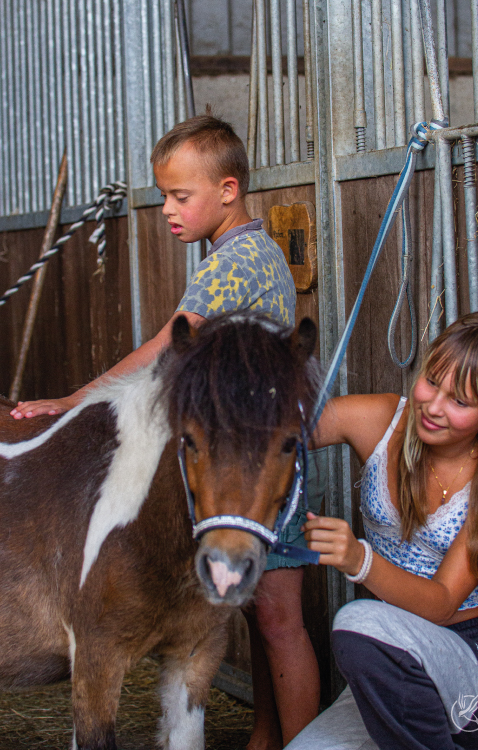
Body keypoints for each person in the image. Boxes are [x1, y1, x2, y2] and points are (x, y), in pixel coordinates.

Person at [10, 112, 320, 749]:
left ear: (229, 191)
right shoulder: (238, 253)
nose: (168, 212)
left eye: (182, 197)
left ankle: (299, 740)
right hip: (257, 455)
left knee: (280, 618)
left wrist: (73, 399)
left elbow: (164, 349)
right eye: (163, 198)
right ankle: (266, 736)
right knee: (263, 613)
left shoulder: (234, 265)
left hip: (251, 466)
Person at [284, 312, 478, 750]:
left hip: (474, 661)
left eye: (460, 401)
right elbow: (282, 431)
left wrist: (360, 560)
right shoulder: (383, 420)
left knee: (357, 620)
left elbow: (440, 604)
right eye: (432, 382)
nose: (434, 406)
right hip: (391, 657)